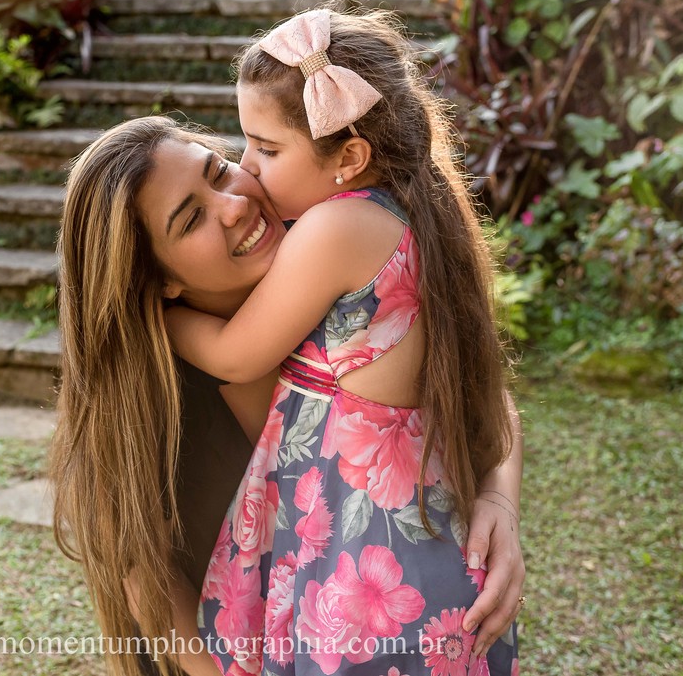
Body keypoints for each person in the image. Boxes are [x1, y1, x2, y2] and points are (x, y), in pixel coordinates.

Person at [50, 115, 524, 676]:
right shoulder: (156, 390)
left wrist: (499, 503)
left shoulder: (333, 264)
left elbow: (474, 390)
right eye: (192, 218)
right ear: (158, 280)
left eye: (219, 171)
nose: (233, 205)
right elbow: (140, 571)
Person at [162, 7, 521, 675]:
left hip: (368, 577)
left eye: (266, 149)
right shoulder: (406, 213)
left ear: (349, 158)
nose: (249, 167)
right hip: (408, 559)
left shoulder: (338, 229)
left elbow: (236, 352)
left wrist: (148, 305)